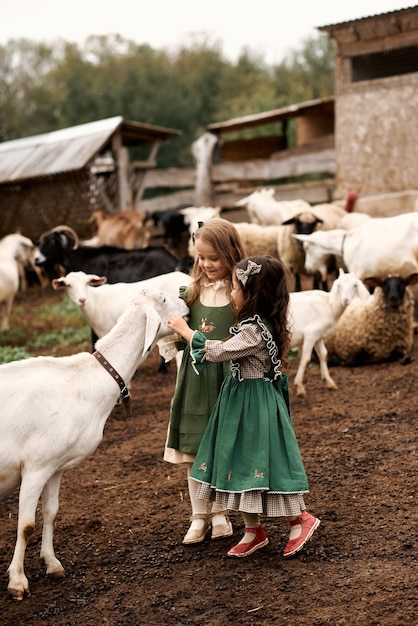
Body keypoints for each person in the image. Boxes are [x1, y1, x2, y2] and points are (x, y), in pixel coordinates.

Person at [166, 255, 320, 558]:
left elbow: (220, 351)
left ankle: (301, 519)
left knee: (262, 461)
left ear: (252, 294)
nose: (231, 293)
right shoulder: (252, 323)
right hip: (239, 400)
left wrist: (186, 332)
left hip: (254, 403)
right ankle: (253, 530)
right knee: (239, 462)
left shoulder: (254, 329)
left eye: (235, 288)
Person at [163, 217, 246, 545]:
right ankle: (199, 516)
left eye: (215, 258)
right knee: (195, 449)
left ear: (231, 254)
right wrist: (176, 332)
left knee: (224, 447)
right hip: (196, 380)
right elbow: (178, 340)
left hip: (229, 379)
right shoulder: (190, 293)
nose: (207, 264)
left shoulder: (239, 293)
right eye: (202, 258)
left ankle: (221, 513)